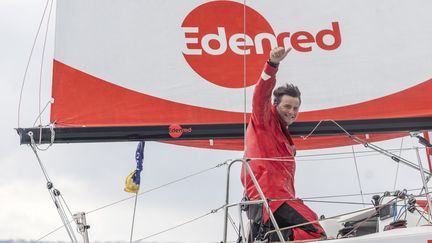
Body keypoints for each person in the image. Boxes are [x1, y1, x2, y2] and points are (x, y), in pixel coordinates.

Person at [241, 47, 326, 242]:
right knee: (316, 233)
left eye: (296, 108)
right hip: (272, 200)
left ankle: (266, 236)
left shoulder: (283, 133)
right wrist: (272, 64)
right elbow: (260, 96)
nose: (292, 112)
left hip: (277, 200)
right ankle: (268, 238)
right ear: (275, 105)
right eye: (287, 106)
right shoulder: (264, 120)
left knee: (310, 228)